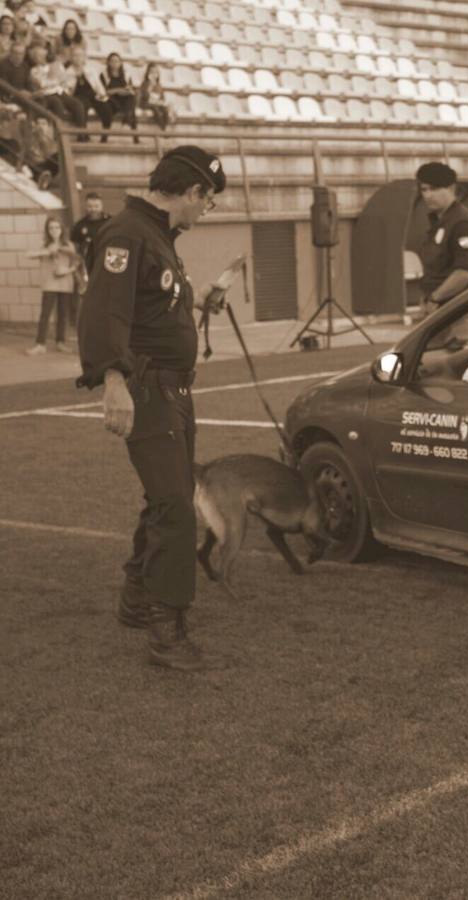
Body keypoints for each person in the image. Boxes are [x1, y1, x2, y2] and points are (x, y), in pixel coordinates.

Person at [77, 145, 230, 671]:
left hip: (173, 391)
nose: (205, 211)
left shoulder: (155, 236)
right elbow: (105, 311)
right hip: (148, 390)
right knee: (173, 507)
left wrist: (199, 296)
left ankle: (137, 594)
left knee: (168, 495)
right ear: (191, 192)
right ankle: (167, 626)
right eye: (207, 201)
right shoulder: (126, 234)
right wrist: (112, 381)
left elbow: (151, 306)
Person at [414, 161, 468, 317]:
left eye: (435, 189)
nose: (427, 195)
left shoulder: (461, 224)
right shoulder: (440, 223)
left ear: (451, 188)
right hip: (442, 309)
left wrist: (434, 298)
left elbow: (465, 273)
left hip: (460, 311)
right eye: (424, 189)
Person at [25, 215, 79, 354]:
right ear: (47, 230)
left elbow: (76, 263)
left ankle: (60, 342)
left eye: (57, 227)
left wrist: (66, 270)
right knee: (45, 314)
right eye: (51, 228)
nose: (54, 230)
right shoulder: (44, 244)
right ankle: (40, 344)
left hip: (65, 284)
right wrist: (48, 251)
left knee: (62, 314)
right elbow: (28, 254)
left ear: (62, 229)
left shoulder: (68, 245)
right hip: (49, 284)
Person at [27, 39, 85, 126]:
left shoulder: (54, 65)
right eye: (39, 56)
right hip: (47, 95)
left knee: (78, 104)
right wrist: (55, 79)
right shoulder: (34, 70)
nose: (42, 57)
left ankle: (82, 134)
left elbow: (64, 79)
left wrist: (55, 79)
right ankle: (58, 134)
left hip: (60, 92)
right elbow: (42, 84)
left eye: (43, 55)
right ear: (34, 58)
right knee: (58, 105)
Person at [65, 44, 111, 142]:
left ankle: (105, 135)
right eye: (75, 55)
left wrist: (103, 94)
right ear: (71, 57)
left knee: (106, 107)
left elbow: (98, 84)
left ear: (84, 57)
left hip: (93, 95)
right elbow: (67, 90)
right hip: (77, 95)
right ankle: (82, 134)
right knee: (83, 104)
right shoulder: (68, 72)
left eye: (80, 55)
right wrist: (75, 77)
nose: (78, 58)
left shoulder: (91, 69)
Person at [99, 52, 137, 142]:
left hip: (124, 100)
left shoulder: (126, 75)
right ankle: (105, 136)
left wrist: (126, 91)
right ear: (108, 62)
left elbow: (130, 90)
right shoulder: (104, 75)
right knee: (106, 108)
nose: (114, 63)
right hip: (111, 100)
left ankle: (134, 135)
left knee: (132, 99)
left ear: (120, 63)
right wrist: (118, 90)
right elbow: (103, 91)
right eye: (112, 61)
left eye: (117, 61)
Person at [137, 62, 172, 131]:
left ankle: (165, 126)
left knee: (165, 110)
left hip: (156, 103)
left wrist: (162, 102)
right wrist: (150, 86)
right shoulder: (145, 83)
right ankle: (163, 128)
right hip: (146, 103)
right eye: (152, 72)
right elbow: (144, 96)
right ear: (148, 73)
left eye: (156, 72)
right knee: (156, 109)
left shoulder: (159, 85)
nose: (154, 74)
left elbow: (162, 97)